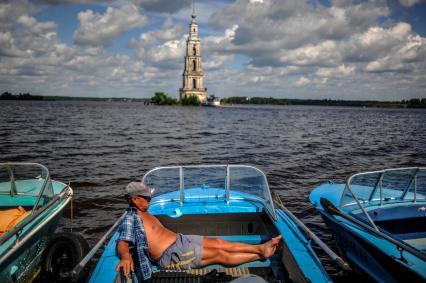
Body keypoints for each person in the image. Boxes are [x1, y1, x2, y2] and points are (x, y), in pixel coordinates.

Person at [115, 182, 282, 282]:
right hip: (172, 254)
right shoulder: (131, 218)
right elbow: (122, 242)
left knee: (218, 243)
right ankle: (261, 255)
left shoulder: (144, 212)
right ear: (135, 199)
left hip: (180, 240)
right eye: (146, 198)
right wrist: (125, 256)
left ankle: (259, 248)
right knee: (219, 255)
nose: (150, 200)